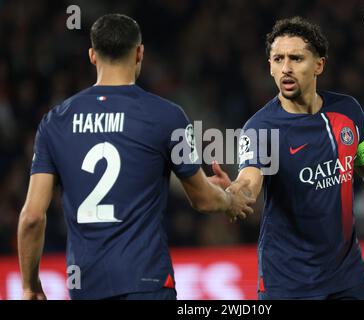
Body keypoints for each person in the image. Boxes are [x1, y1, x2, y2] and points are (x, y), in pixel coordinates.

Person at [17, 14, 254, 300]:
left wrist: (30, 286)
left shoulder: (55, 122)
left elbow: (31, 217)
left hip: (85, 286)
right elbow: (202, 198)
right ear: (140, 52)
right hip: (147, 281)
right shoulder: (167, 116)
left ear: (92, 56)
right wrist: (229, 200)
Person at [210, 16, 364, 300]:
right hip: (287, 282)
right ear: (270, 67)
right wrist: (232, 193)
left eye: (296, 58)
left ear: (319, 65)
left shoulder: (347, 112)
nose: (286, 68)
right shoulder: (260, 128)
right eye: (278, 59)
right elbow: (250, 179)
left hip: (346, 277)